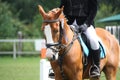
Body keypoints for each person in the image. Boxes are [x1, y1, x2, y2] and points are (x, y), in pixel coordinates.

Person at [59, 0, 101, 78]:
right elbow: (62, 8)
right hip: (69, 24)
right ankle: (55, 67)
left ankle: (96, 66)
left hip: (85, 23)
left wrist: (86, 24)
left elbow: (93, 10)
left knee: (93, 40)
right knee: (58, 40)